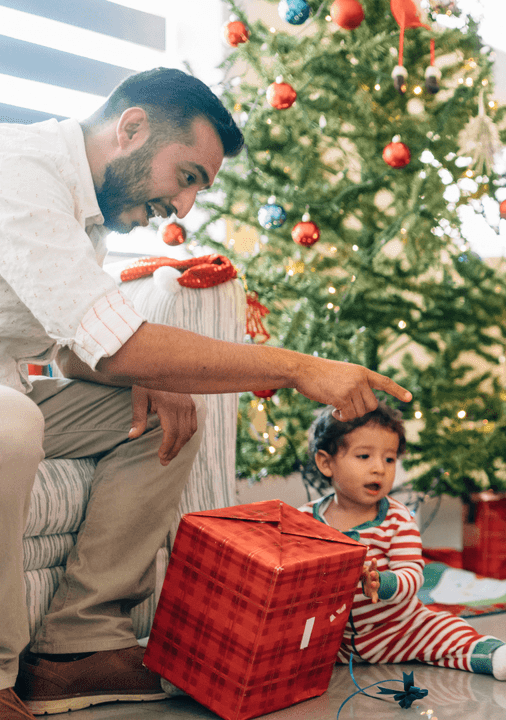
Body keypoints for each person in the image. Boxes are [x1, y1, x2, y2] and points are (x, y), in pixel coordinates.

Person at [0, 69, 411, 718]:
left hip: (15, 378)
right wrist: (298, 367)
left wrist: (151, 377)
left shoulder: (86, 214)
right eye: (186, 176)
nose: (185, 207)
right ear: (131, 127)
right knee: (11, 424)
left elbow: (69, 346)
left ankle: (75, 647)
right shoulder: (20, 175)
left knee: (168, 413)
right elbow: (119, 340)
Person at [297, 403, 506, 679]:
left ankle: (497, 657)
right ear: (326, 463)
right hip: (334, 640)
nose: (379, 469)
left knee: (444, 628)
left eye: (389, 459)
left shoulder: (397, 519)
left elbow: (413, 574)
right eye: (364, 456)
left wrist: (383, 582)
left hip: (398, 629)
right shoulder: (305, 521)